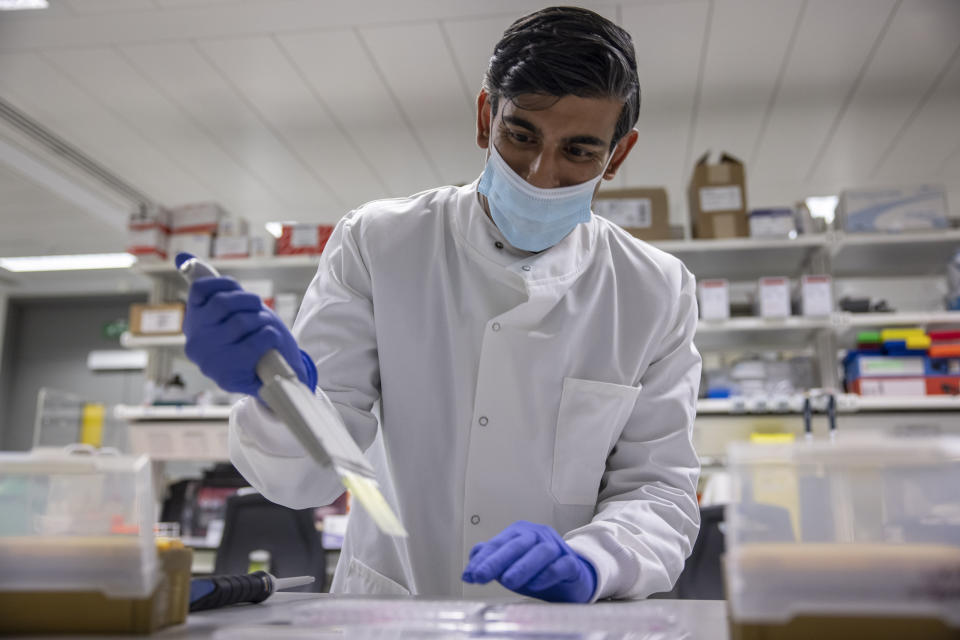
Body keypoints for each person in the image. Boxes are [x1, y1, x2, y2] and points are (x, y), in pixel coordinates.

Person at [182, 6, 701, 602]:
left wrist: (593, 561)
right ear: (486, 116)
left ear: (618, 153)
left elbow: (659, 489)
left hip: (556, 618)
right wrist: (279, 394)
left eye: (579, 151)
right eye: (521, 135)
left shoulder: (655, 290)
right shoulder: (380, 241)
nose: (540, 173)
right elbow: (308, 478)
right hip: (394, 604)